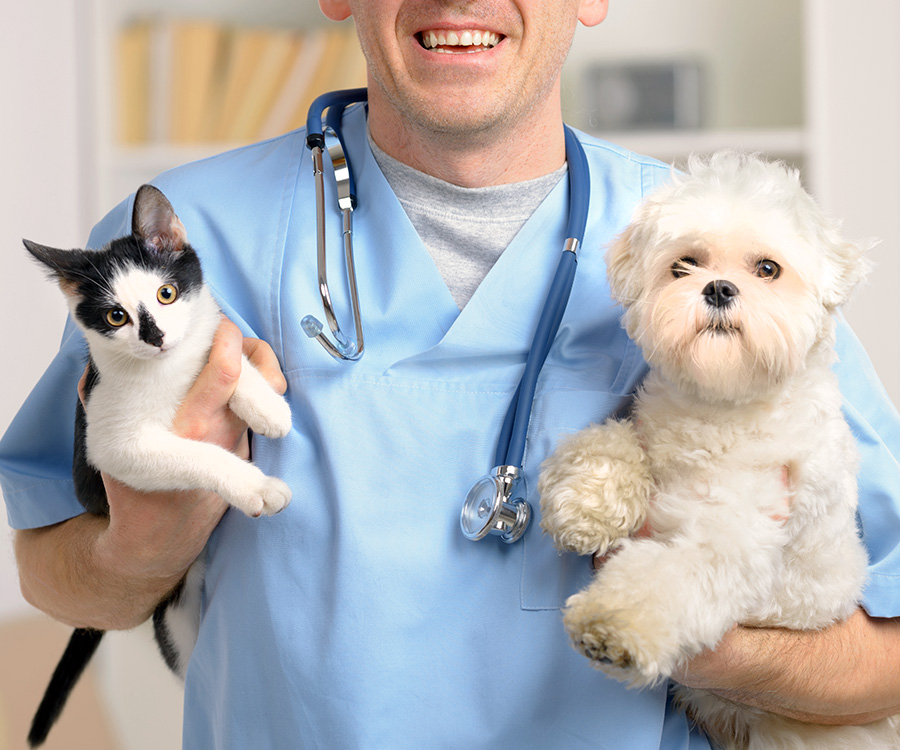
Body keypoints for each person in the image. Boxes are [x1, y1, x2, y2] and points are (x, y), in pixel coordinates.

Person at [4, 1, 900, 747]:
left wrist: (705, 634)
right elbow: (48, 561)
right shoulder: (186, 244)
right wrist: (140, 548)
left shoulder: (716, 252)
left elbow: (886, 659)